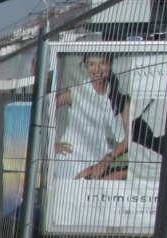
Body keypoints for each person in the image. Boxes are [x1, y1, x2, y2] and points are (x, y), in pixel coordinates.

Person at [55, 52, 130, 180]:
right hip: (71, 161)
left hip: (100, 164)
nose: (97, 69)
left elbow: (131, 137)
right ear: (86, 66)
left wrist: (109, 158)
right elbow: (41, 111)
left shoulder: (121, 99)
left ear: (110, 65)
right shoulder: (75, 92)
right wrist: (52, 145)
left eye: (102, 63)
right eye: (92, 64)